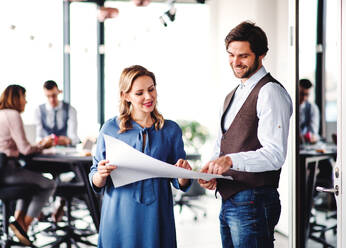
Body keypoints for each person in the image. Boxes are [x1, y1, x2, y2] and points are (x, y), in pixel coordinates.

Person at [198, 21, 292, 248]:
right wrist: (212, 171)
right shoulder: (233, 94)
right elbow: (224, 141)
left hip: (254, 200)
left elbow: (275, 154)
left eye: (243, 56)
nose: (235, 62)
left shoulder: (270, 92)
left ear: (261, 55)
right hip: (231, 199)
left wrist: (230, 161)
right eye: (231, 55)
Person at [89, 65, 192, 248]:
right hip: (118, 214)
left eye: (151, 89)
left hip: (156, 215)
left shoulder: (170, 130)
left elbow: (180, 182)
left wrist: (184, 175)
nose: (148, 97)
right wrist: (101, 174)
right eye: (139, 93)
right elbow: (95, 178)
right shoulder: (110, 128)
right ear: (125, 96)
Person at [0, 84, 56, 246]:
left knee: (30, 183)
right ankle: (23, 226)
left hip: (3, 170)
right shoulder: (12, 114)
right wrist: (42, 146)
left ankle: (19, 223)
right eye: (24, 97)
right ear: (17, 98)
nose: (26, 101)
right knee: (49, 184)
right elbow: (25, 149)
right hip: (7, 171)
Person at [34, 80, 79, 147]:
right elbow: (38, 137)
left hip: (66, 150)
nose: (52, 99)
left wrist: (68, 140)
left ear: (59, 92)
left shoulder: (70, 109)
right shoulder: (38, 111)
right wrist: (44, 141)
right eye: (48, 96)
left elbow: (74, 137)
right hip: (46, 152)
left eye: (54, 95)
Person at [299, 78, 320, 143]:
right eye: (301, 94)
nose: (304, 98)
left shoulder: (313, 108)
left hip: (306, 145)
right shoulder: (290, 106)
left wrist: (311, 137)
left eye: (307, 95)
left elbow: (313, 133)